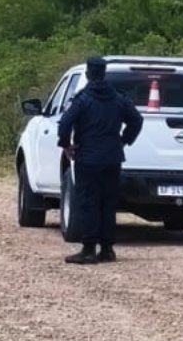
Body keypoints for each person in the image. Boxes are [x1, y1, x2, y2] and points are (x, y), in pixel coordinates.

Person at [57, 57, 143, 265]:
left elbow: (65, 123)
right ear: (104, 74)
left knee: (89, 202)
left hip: (88, 157)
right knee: (107, 202)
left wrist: (66, 145)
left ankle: (88, 249)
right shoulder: (118, 98)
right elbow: (136, 120)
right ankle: (107, 249)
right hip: (112, 158)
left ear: (88, 74)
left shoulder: (83, 99)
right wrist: (124, 141)